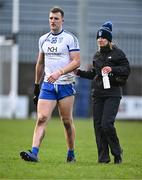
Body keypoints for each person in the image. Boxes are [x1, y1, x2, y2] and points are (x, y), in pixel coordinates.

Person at [20, 7, 80, 162]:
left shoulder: (70, 38)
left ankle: (71, 154)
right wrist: (36, 86)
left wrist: (60, 72)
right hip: (47, 85)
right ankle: (34, 153)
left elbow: (76, 61)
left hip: (65, 84)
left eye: (56, 18)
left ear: (62, 20)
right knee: (41, 118)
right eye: (51, 18)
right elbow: (40, 63)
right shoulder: (43, 39)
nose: (52, 21)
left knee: (66, 122)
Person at [75, 21, 130, 164]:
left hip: (113, 94)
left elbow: (126, 70)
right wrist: (79, 72)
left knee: (107, 124)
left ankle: (117, 152)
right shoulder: (97, 55)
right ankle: (103, 158)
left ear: (109, 39)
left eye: (103, 37)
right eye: (98, 38)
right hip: (98, 94)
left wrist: (112, 69)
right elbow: (95, 74)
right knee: (98, 126)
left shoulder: (118, 53)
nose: (100, 39)